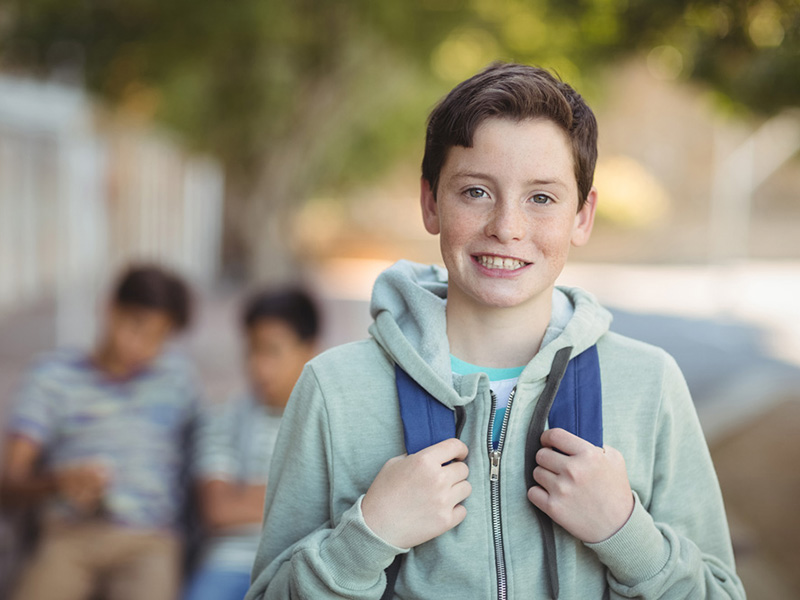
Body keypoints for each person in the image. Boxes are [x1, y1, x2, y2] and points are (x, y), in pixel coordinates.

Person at [245, 63, 745, 599]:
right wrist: (369, 536)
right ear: (431, 202)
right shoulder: (332, 389)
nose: (507, 227)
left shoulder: (650, 384)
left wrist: (625, 533)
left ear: (583, 215)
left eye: (542, 198)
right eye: (477, 192)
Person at [1, 264, 200, 600]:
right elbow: (9, 484)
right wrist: (58, 482)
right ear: (109, 308)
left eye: (158, 337)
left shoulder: (178, 380)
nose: (143, 347)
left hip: (149, 541)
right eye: (136, 327)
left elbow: (206, 455)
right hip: (68, 535)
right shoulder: (51, 376)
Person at [183, 289, 319, 600]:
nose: (259, 366)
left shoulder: (326, 421)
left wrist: (248, 495)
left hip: (301, 566)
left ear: (309, 350)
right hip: (227, 565)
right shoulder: (224, 418)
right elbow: (218, 509)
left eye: (272, 351)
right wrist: (301, 497)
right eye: (252, 351)